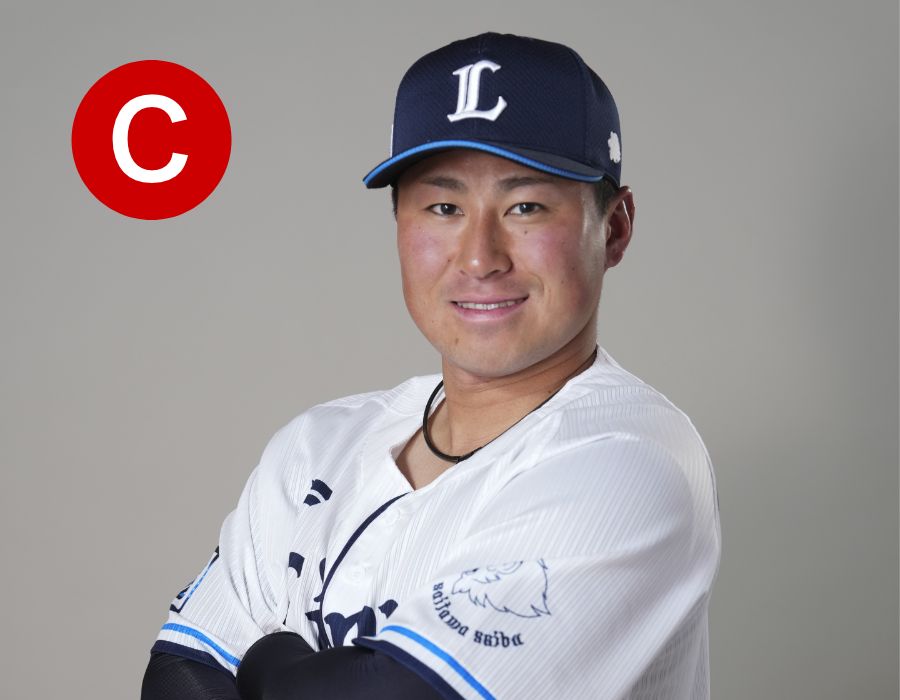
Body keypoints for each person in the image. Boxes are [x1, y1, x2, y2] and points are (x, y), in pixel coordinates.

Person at [141, 31, 721, 700]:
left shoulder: (628, 459)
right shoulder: (316, 448)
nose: (479, 257)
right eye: (443, 207)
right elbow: (177, 683)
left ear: (614, 227)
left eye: (526, 206)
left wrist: (266, 659)